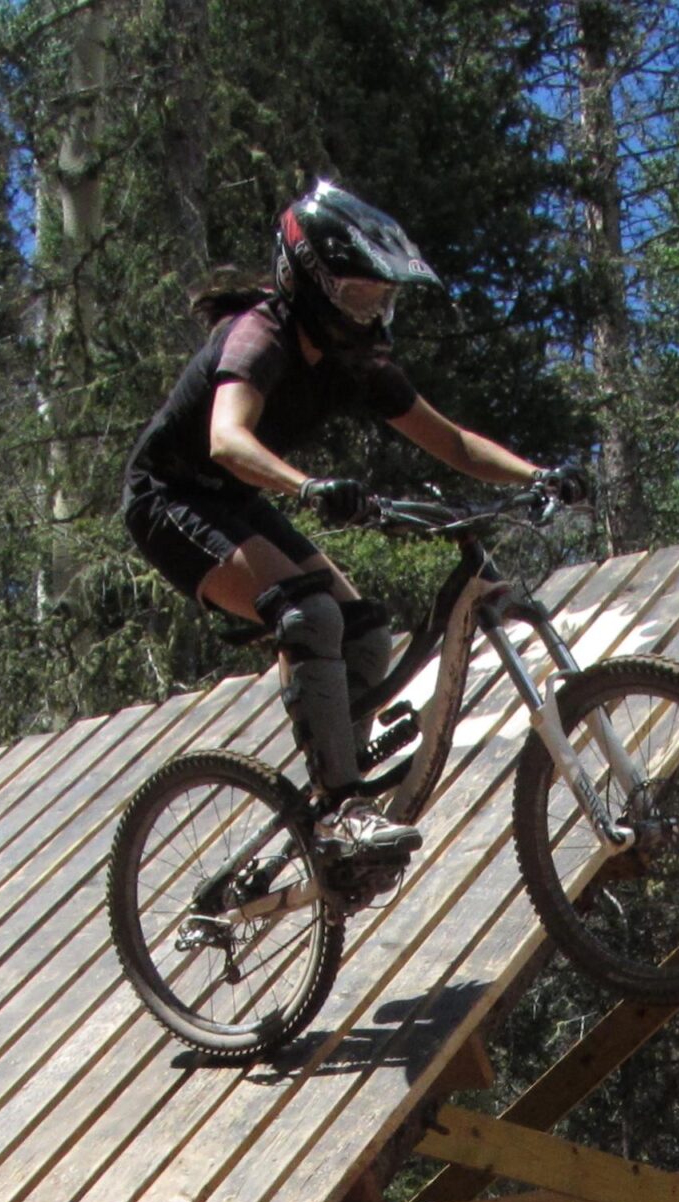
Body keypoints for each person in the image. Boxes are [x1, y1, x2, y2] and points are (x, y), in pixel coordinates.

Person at [121, 180, 586, 863]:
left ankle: (334, 781)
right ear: (310, 283)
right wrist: (308, 487)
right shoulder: (260, 334)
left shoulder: (356, 360)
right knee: (310, 615)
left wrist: (537, 475)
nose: (373, 313)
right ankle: (342, 810)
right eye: (358, 295)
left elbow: (452, 442)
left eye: (382, 298)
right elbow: (227, 440)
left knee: (366, 632)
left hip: (231, 499)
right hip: (169, 498)